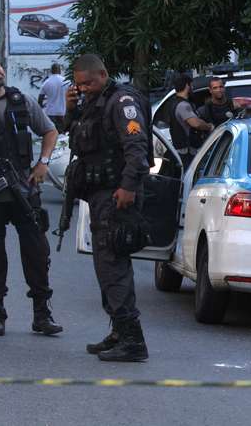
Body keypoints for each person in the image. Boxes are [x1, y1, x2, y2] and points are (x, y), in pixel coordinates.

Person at [64, 54, 150, 362]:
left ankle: (132, 339)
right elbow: (74, 134)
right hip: (100, 196)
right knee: (106, 266)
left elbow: (137, 148)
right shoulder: (94, 103)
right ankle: (118, 331)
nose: (84, 88)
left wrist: (127, 187)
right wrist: (71, 108)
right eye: (79, 84)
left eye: (88, 82)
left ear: (103, 74)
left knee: (113, 266)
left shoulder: (121, 102)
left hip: (117, 196)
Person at [0, 55, 62, 337]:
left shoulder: (22, 101)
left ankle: (41, 314)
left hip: (24, 188)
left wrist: (43, 162)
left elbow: (49, 130)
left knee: (36, 252)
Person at [167, 73, 213, 169]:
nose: (192, 87)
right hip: (186, 153)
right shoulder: (183, 105)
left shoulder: (174, 102)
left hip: (182, 151)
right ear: (187, 85)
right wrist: (209, 126)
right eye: (191, 85)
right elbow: (195, 123)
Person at [37, 63, 68, 132]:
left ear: (51, 71)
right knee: (64, 133)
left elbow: (40, 98)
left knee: (52, 133)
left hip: (50, 113)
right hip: (63, 112)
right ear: (60, 70)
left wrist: (40, 108)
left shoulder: (47, 82)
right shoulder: (66, 81)